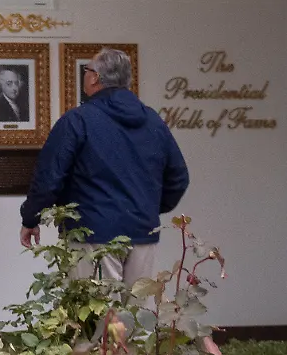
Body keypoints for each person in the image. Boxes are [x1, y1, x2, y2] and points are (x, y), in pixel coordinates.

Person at [19, 48, 189, 286]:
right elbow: (178, 178)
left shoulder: (78, 120)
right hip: (142, 233)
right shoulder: (153, 121)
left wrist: (30, 218)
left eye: (87, 70)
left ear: (95, 77)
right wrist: (145, 208)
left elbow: (49, 177)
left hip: (92, 233)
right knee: (135, 316)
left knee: (98, 316)